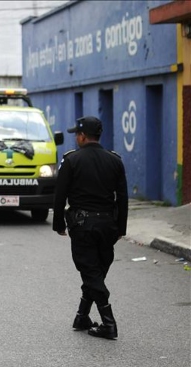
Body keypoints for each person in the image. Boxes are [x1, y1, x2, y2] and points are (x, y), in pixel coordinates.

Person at [53, 116, 128, 340]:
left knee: (91, 272)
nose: (76, 137)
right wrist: (121, 228)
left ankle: (109, 323)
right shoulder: (115, 161)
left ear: (83, 136)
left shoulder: (71, 160)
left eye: (77, 134)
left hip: (82, 226)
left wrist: (58, 224)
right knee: (96, 271)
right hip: (108, 226)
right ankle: (82, 316)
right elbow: (122, 198)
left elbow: (60, 195)